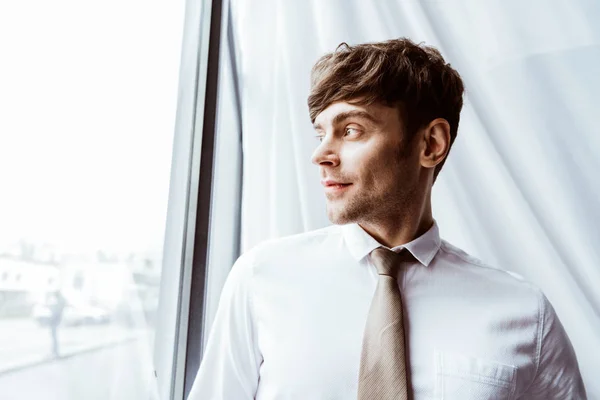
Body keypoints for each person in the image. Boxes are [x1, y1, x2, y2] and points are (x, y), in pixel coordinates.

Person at [188, 38, 586, 399]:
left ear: (431, 144)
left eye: (352, 130)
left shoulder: (524, 314)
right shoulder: (261, 279)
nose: (322, 154)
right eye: (320, 133)